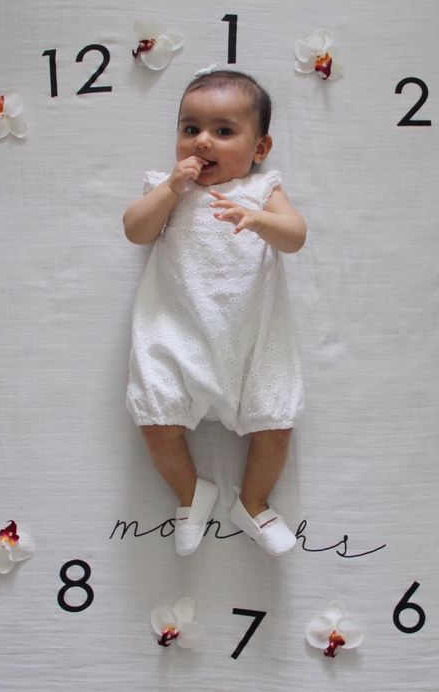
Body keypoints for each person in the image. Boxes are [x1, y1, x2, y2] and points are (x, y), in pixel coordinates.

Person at [123, 70, 306, 556]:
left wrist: (261, 219)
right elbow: (135, 231)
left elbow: (296, 236)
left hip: (252, 337)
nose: (203, 141)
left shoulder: (263, 189)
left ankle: (254, 502)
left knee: (275, 423)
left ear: (260, 149)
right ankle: (190, 493)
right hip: (177, 331)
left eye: (223, 132)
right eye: (190, 129)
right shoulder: (167, 188)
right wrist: (169, 190)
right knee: (157, 421)